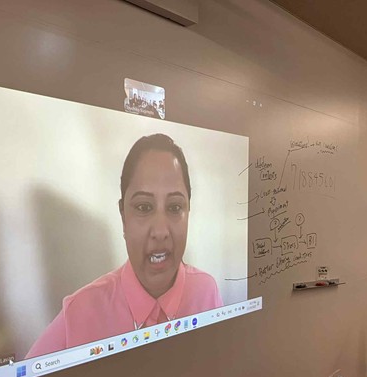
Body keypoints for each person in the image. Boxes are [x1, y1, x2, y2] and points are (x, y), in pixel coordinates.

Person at [26, 133, 223, 358]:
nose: (160, 231)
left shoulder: (206, 291)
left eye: (175, 207)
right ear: (123, 217)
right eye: (144, 207)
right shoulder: (80, 312)